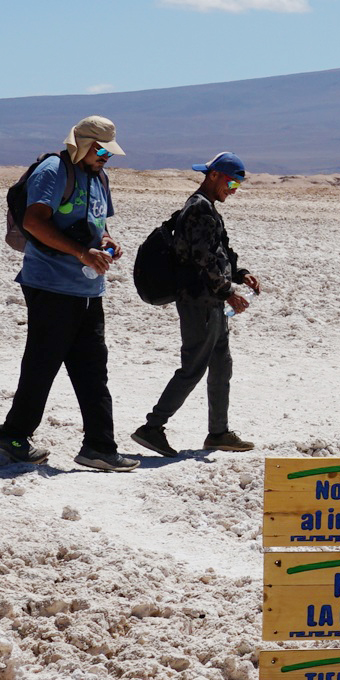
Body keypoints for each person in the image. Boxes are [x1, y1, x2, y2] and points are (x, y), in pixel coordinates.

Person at [0, 116, 137, 471]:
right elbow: (34, 221)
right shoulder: (54, 171)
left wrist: (107, 242)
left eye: (109, 152)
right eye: (101, 150)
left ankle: (99, 447)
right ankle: (12, 436)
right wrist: (81, 253)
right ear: (82, 144)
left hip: (87, 287)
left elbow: (98, 224)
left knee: (93, 368)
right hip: (51, 284)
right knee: (43, 363)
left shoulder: (99, 177)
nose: (105, 157)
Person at [133, 153, 260, 456]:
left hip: (211, 301)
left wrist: (239, 273)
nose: (233, 190)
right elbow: (202, 258)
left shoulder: (207, 208)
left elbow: (219, 251)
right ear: (213, 176)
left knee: (221, 366)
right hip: (199, 302)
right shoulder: (199, 209)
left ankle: (218, 432)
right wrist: (228, 291)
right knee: (192, 368)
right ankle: (152, 427)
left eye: (237, 185)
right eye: (231, 183)